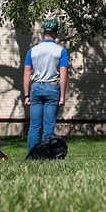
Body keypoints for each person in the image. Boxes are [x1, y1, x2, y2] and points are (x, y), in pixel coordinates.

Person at [22, 19, 69, 153]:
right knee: (48, 126)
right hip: (52, 87)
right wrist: (62, 96)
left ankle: (32, 155)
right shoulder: (61, 51)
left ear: (43, 32)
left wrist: (26, 95)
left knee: (34, 126)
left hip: (36, 87)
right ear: (56, 33)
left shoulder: (33, 50)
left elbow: (26, 72)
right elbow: (63, 74)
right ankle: (46, 155)